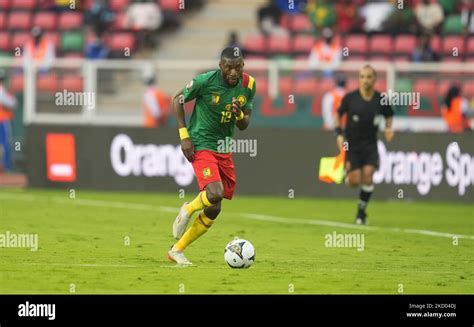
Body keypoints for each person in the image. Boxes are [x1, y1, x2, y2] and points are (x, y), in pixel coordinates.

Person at [168, 47, 256, 265]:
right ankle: (187, 209)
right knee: (214, 192)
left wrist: (239, 115)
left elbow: (245, 125)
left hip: (224, 147)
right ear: (221, 66)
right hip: (201, 143)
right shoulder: (205, 82)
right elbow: (177, 99)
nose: (234, 72)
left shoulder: (249, 85)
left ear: (243, 65)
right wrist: (183, 135)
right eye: (229, 67)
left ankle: (177, 250)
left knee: (214, 207)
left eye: (238, 67)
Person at [334, 65, 394, 225]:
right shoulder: (350, 98)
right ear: (358, 79)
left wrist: (388, 129)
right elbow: (338, 113)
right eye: (362, 76)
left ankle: (361, 213)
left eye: (369, 77)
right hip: (352, 145)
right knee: (354, 181)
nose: (365, 80)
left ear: (374, 79)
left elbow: (389, 114)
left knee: (368, 177)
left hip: (370, 144)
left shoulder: (381, 99)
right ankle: (347, 175)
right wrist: (338, 133)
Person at [0, 69, 17, 173]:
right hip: (2, 121)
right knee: (5, 143)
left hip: (3, 119)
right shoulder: (1, 90)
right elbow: (12, 103)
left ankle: (5, 166)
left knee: (4, 144)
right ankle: (7, 167)